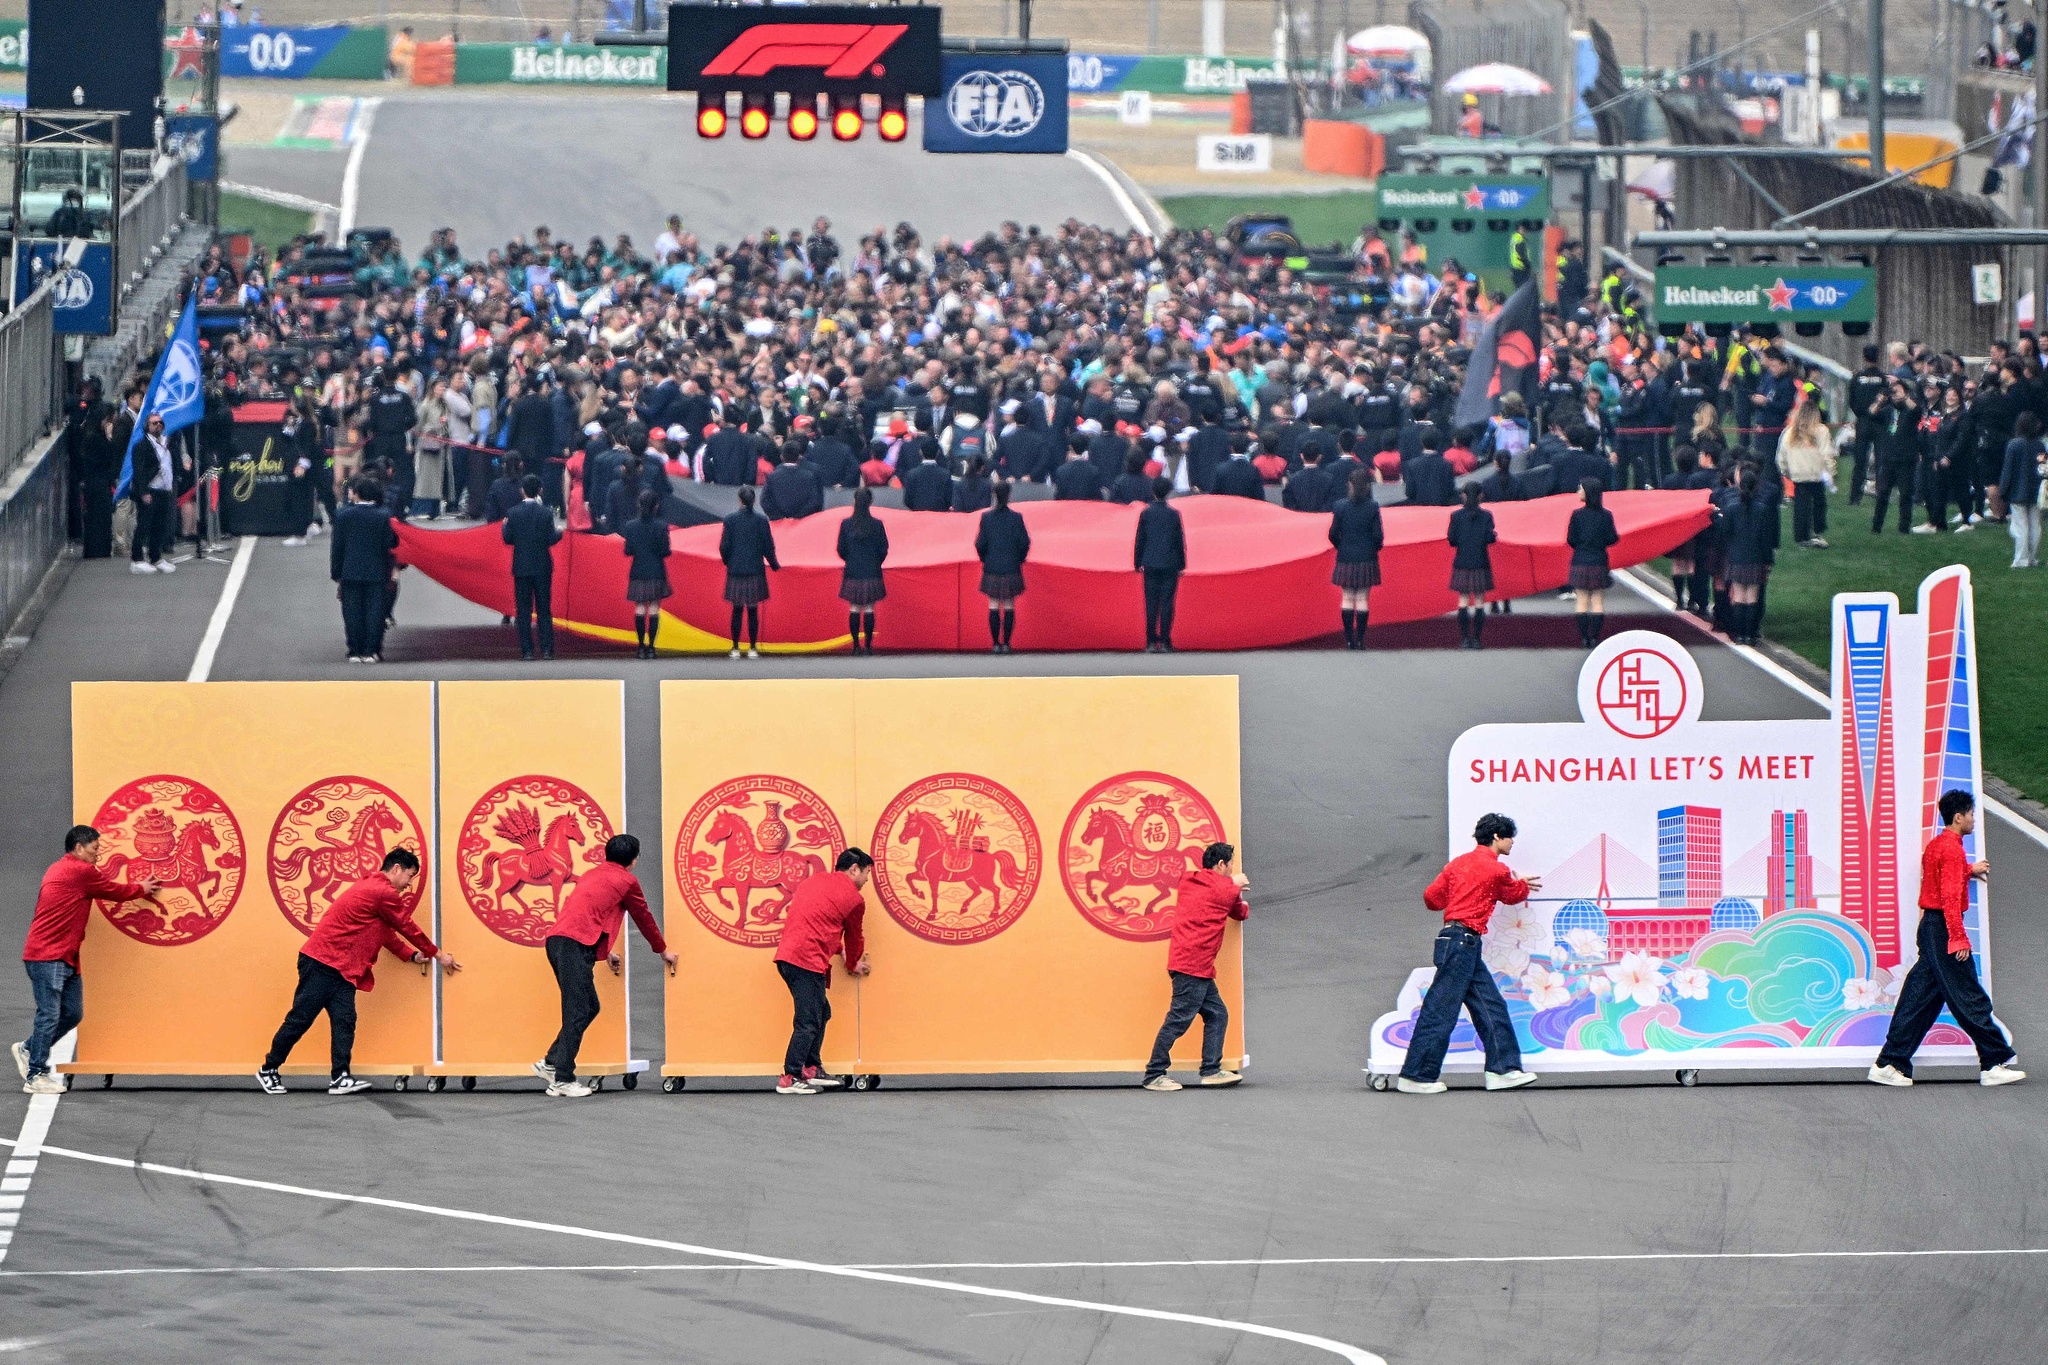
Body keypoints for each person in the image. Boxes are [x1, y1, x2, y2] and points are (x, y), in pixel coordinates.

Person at [256, 849, 460, 1096]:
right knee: (300, 1019)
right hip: (323, 963)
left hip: (340, 968)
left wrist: (411, 955)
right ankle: (268, 1069)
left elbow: (385, 933)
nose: (409, 884)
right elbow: (407, 926)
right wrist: (439, 955)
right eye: (410, 876)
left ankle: (340, 1078)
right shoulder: (382, 891)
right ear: (396, 869)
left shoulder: (373, 889)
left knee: (345, 1021)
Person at [1870, 790, 2023, 1088]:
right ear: (1958, 817)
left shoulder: (1937, 846)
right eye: (1971, 814)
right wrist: (1958, 938)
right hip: (1944, 931)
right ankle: (1993, 1063)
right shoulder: (1953, 850)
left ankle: (1889, 1063)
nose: (1973, 820)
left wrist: (1969, 870)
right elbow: (1950, 898)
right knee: (1969, 997)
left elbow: (1941, 879)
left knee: (1918, 1000)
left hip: (1930, 928)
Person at [1396, 813, 1541, 1094]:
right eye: (1509, 837)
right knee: (1441, 1010)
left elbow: (1432, 899)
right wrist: (1522, 884)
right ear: (1497, 837)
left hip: (1454, 942)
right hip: (1464, 943)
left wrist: (1462, 893)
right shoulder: (1497, 870)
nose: (1512, 842)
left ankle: (1503, 1070)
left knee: (1491, 1006)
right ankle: (1416, 1076)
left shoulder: (1457, 864)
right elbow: (1512, 895)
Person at [16, 825, 162, 1094]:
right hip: (48, 955)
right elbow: (114, 891)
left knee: (73, 1013)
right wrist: (142, 888)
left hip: (65, 955)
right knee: (49, 1015)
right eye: (95, 849)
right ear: (79, 848)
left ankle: (28, 1048)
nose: (98, 855)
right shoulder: (80, 871)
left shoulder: (60, 868)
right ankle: (35, 1075)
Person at [536, 834, 676, 1098]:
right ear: (633, 860)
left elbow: (588, 912)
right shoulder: (627, 881)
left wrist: (605, 950)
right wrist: (662, 950)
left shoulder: (592, 874)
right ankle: (562, 1080)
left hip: (560, 942)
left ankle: (551, 1062)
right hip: (573, 945)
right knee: (578, 1010)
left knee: (589, 1007)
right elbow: (643, 916)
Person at [1140, 842, 1248, 1091]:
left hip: (1196, 966)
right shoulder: (1214, 886)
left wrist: (1235, 890)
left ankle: (1211, 1070)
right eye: (1231, 865)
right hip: (1192, 965)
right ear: (1221, 864)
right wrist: (1235, 885)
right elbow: (1226, 895)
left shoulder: (1198, 884)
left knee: (1217, 1014)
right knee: (1178, 1020)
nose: (1232, 870)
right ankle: (1153, 1074)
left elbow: (1238, 912)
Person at [771, 847, 874, 1095]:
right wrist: (852, 963)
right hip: (806, 960)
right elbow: (855, 937)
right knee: (808, 1021)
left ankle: (811, 1068)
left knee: (821, 1012)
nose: (867, 880)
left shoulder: (814, 882)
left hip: (790, 957)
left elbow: (817, 922)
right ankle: (790, 1077)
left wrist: (838, 950)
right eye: (867, 873)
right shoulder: (854, 899)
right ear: (854, 869)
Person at [332, 475, 397, 664]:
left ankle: (355, 649)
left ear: (357, 493)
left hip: (350, 571)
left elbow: (338, 547)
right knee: (375, 611)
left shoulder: (343, 515)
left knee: (352, 612)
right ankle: (371, 650)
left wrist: (336, 572)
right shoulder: (384, 516)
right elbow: (390, 544)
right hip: (377, 571)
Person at [503, 472, 562, 660]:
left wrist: (505, 526)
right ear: (540, 491)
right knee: (544, 610)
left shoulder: (513, 513)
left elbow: (508, 538)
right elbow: (551, 539)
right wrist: (560, 533)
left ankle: (527, 651)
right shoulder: (546, 513)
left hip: (521, 567)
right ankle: (547, 649)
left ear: (522, 491)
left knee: (523, 611)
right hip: (542, 566)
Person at [1717, 467, 1777, 645]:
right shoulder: (1762, 510)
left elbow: (1724, 531)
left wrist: (1715, 516)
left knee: (1738, 597)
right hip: (1756, 558)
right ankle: (1750, 635)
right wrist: (1768, 560)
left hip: (1736, 558)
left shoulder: (1731, 508)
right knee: (1752, 597)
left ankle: (1739, 635)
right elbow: (1766, 539)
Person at [719, 484, 779, 658]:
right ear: (754, 501)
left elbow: (724, 547)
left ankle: (735, 648)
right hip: (755, 570)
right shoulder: (761, 520)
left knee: (737, 610)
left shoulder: (730, 520)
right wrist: (774, 565)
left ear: (739, 501)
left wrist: (729, 562)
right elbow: (768, 546)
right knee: (753, 610)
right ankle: (753, 648)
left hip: (736, 570)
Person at [1328, 469, 1383, 650]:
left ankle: (1349, 640)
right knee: (1362, 599)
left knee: (1347, 597)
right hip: (1367, 557)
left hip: (1346, 556)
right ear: (1367, 486)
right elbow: (1378, 536)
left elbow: (1332, 533)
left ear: (1350, 485)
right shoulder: (1373, 507)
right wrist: (1374, 548)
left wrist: (1341, 546)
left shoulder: (1340, 506)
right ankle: (1360, 640)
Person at [974, 479, 1029, 653]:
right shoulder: (1016, 518)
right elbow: (1024, 543)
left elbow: (980, 544)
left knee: (993, 604)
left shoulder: (986, 517)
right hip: (1011, 566)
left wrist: (985, 559)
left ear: (994, 495)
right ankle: (1006, 643)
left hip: (992, 567)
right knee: (1009, 604)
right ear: (1009, 495)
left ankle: (995, 644)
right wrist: (1019, 559)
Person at [1133, 476, 1186, 652]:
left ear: (1153, 491)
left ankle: (1150, 641)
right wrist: (1182, 564)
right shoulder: (1174, 514)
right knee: (1167, 603)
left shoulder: (1146, 513)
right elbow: (1179, 541)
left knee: (1151, 602)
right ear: (1168, 492)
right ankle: (1164, 641)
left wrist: (1137, 562)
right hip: (1170, 562)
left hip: (1150, 562)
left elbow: (1140, 539)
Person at [1565, 478, 1618, 649]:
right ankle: (1594, 637)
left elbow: (1571, 539)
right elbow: (1612, 538)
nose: (1578, 492)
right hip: (1599, 561)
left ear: (1587, 493)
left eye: (1580, 489)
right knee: (1597, 600)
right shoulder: (1606, 515)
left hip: (1580, 560)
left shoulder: (1577, 515)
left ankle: (1584, 638)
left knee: (1581, 600)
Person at [1775, 397, 1835, 548]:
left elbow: (1781, 457)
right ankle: (1817, 531)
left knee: (1801, 505)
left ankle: (1801, 537)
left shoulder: (1789, 432)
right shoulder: (1821, 431)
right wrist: (1831, 472)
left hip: (1797, 475)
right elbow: (1827, 454)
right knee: (1819, 503)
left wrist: (1786, 473)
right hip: (1816, 475)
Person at [836, 486, 889, 655]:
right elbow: (884, 549)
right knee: (869, 608)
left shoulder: (846, 524)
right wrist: (875, 562)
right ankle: (868, 646)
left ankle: (855, 646)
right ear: (870, 502)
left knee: (854, 608)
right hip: (872, 571)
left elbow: (841, 549)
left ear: (854, 501)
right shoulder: (877, 524)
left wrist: (850, 560)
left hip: (852, 571)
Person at [621, 488, 672, 658]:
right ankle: (651, 647)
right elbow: (666, 551)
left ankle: (640, 647)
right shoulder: (661, 526)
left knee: (640, 607)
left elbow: (628, 551)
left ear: (639, 504)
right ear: (656, 506)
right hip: (656, 571)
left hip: (638, 570)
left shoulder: (631, 526)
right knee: (654, 608)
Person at [1446, 481, 1496, 650]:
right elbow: (1490, 538)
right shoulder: (1487, 516)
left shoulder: (1456, 516)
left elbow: (1452, 540)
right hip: (1481, 561)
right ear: (1481, 496)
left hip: (1462, 561)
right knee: (1480, 600)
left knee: (1463, 599)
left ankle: (1465, 639)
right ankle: (1477, 639)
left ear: (1464, 495)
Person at [129, 412, 177, 574]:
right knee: (144, 525)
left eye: (160, 422)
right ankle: (137, 559)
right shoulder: (141, 446)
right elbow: (139, 471)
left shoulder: (167, 443)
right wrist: (143, 492)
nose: (158, 425)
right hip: (150, 490)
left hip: (164, 490)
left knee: (159, 526)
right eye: (154, 423)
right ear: (147, 426)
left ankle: (155, 557)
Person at [1999, 410, 2044, 568]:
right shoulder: (2040, 445)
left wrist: (2003, 490)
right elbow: (2043, 467)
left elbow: (2008, 470)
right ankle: (2033, 557)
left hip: (2018, 491)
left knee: (2020, 526)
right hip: (2037, 491)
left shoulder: (2014, 444)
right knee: (2035, 525)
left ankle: (2021, 559)